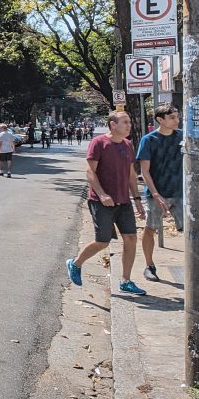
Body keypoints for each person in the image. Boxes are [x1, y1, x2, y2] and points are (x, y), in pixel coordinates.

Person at [66, 111, 148, 295]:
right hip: (100, 201)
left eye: (129, 122)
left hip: (123, 200)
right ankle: (76, 263)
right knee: (102, 241)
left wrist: (137, 200)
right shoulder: (99, 142)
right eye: (125, 122)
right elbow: (89, 172)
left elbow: (131, 175)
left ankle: (126, 281)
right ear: (113, 124)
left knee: (131, 238)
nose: (129, 125)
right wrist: (102, 194)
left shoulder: (127, 145)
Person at [136, 104, 184, 282]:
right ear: (160, 120)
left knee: (189, 228)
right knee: (151, 228)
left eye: (177, 116)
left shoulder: (182, 136)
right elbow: (144, 171)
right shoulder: (149, 140)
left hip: (179, 193)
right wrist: (155, 194)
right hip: (156, 193)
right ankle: (149, 265)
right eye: (172, 117)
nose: (176, 120)